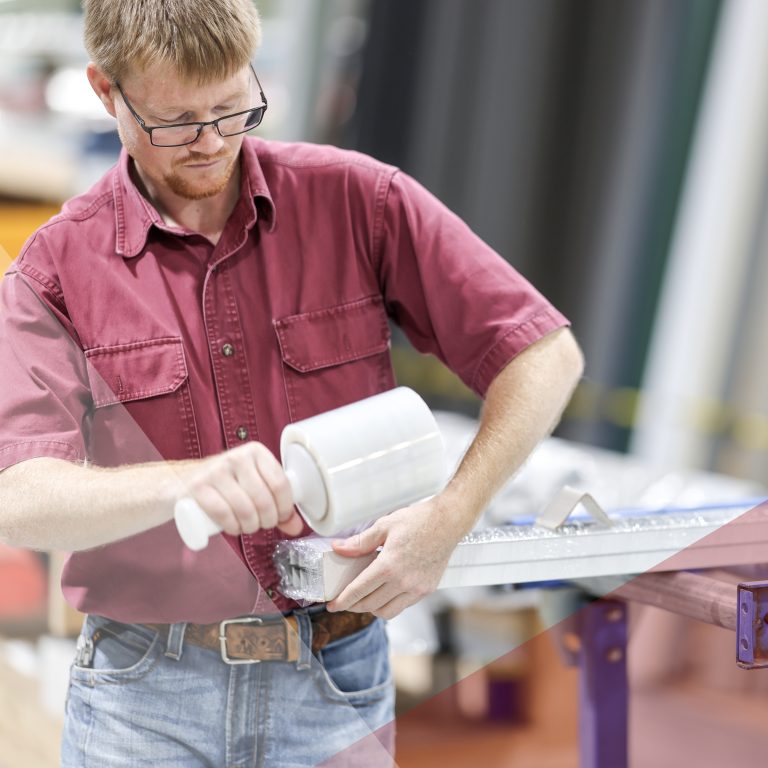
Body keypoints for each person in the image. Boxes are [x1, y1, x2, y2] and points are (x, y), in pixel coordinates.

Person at [0, 0, 583, 765]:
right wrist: (183, 485)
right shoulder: (54, 271)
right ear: (107, 91)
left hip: (336, 681)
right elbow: (19, 498)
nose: (212, 142)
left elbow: (545, 355)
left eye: (231, 107)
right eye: (176, 122)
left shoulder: (359, 202)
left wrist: (449, 518)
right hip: (144, 702)